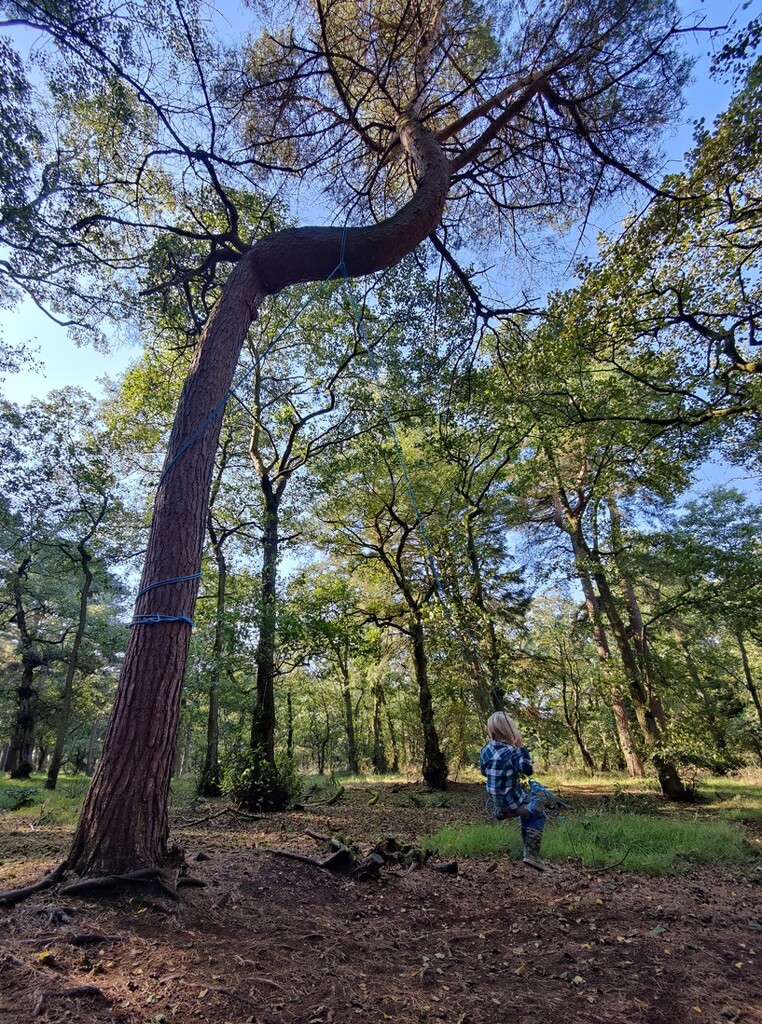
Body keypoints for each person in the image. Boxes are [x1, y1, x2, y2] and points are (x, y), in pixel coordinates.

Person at [480, 711, 547, 871]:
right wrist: (521, 748)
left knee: (527, 809)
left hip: (497, 802)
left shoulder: (485, 750)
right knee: (537, 811)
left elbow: (484, 771)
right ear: (507, 731)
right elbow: (527, 769)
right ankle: (531, 853)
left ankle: (528, 853)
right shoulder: (512, 752)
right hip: (512, 800)